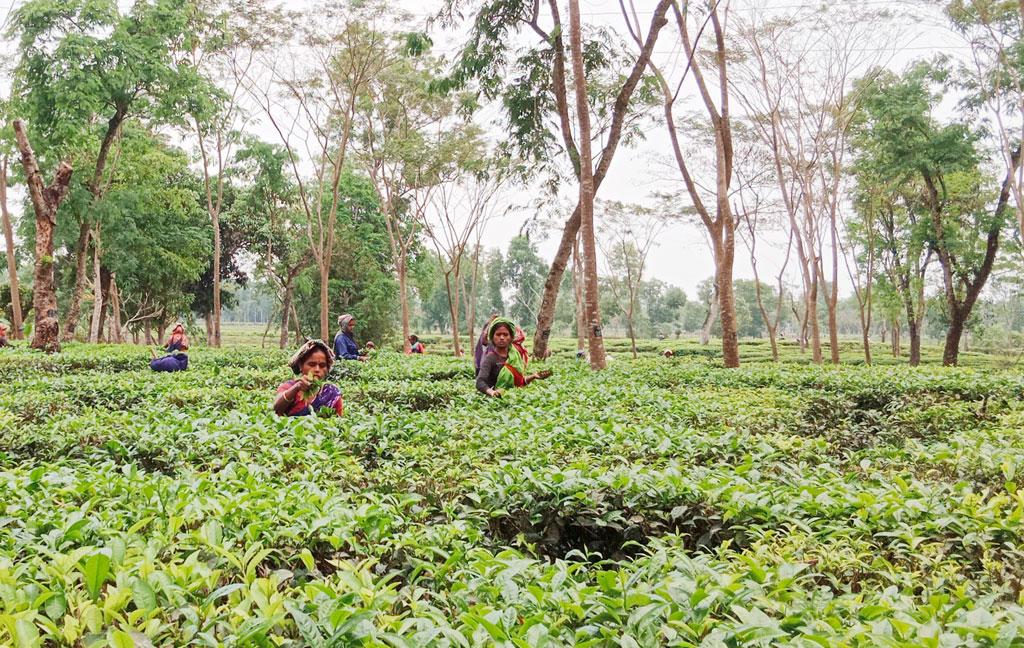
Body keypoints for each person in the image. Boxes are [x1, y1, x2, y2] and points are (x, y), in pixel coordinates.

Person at [476, 317, 552, 397]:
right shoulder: (490, 358)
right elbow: (480, 382)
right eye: (498, 334)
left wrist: (533, 376)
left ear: (511, 337)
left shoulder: (515, 356)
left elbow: (520, 382)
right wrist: (492, 392)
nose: (502, 338)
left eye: (505, 335)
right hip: (494, 401)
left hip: (512, 398)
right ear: (492, 337)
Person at [274, 339, 345, 417]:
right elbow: (277, 408)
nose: (317, 370)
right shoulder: (289, 387)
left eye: (322, 365)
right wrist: (296, 387)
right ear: (301, 365)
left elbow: (338, 422)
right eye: (311, 364)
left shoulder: (332, 392)